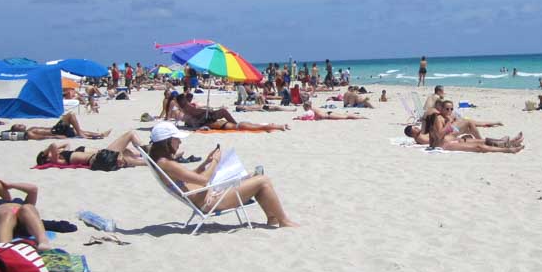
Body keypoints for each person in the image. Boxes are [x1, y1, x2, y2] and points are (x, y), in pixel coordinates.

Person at [145, 122, 299, 227]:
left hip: (207, 195)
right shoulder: (167, 163)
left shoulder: (163, 162)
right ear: (167, 142)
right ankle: (284, 221)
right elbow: (204, 179)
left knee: (253, 176)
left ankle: (272, 218)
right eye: (176, 139)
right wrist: (215, 162)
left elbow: (190, 176)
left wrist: (205, 162)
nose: (179, 142)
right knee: (262, 180)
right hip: (210, 202)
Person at [0, 179, 52, 250]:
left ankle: (43, 241)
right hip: (0, 222)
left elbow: (33, 189)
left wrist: (10, 185)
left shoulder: (23, 205)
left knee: (28, 207)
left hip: (22, 221)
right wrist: (8, 190)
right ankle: (5, 248)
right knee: (8, 214)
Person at [36, 130, 147, 170]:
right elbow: (53, 145)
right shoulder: (57, 161)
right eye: (47, 156)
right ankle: (147, 151)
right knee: (130, 134)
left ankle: (150, 161)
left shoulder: (63, 156)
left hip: (102, 161)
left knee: (128, 155)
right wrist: (44, 152)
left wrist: (58, 152)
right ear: (46, 159)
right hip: (101, 158)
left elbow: (66, 144)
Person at [421, 109, 522, 153]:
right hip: (446, 145)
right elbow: (438, 138)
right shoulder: (435, 126)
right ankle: (508, 150)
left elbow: (439, 137)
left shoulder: (436, 123)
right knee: (478, 147)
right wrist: (449, 123)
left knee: (481, 141)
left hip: (449, 141)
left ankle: (511, 142)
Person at [8, 112, 110, 140]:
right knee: (70, 115)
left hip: (57, 130)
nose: (21, 124)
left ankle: (100, 134)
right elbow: (40, 137)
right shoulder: (28, 133)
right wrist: (55, 137)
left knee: (79, 131)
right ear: (17, 130)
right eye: (18, 126)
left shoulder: (30, 129)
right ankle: (80, 133)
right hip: (55, 131)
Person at [297, 101, 365, 120]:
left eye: (304, 107)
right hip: (328, 113)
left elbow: (307, 116)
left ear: (307, 106)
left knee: (346, 117)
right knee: (345, 115)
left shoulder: (310, 110)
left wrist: (299, 118)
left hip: (328, 115)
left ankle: (360, 117)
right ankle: (360, 116)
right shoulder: (312, 108)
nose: (303, 109)